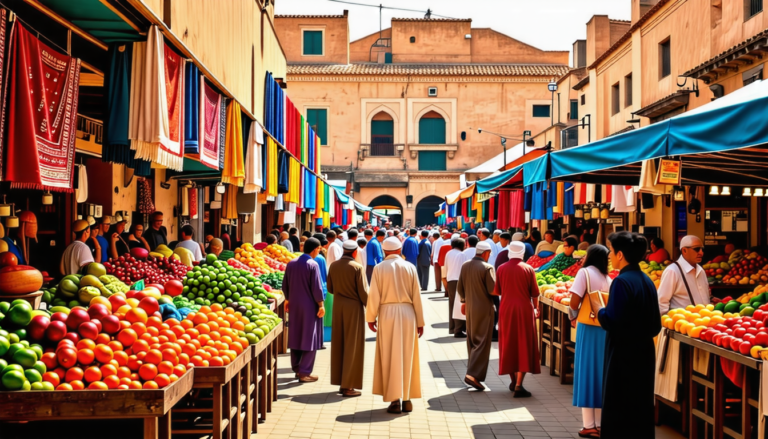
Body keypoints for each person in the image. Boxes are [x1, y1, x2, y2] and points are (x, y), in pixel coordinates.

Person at [590, 232, 661, 439]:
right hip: (645, 351)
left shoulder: (621, 282)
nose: (610, 256)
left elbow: (613, 320)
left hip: (623, 352)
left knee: (619, 403)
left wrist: (600, 310)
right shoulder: (646, 280)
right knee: (641, 403)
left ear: (620, 254)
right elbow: (656, 323)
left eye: (611, 251)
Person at [366, 236, 425, 414]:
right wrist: (420, 321)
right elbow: (417, 296)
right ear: (400, 250)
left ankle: (394, 400)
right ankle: (407, 399)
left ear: (384, 251)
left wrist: (370, 317)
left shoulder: (379, 268)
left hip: (387, 315)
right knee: (408, 355)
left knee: (390, 355)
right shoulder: (410, 267)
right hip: (408, 314)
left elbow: (374, 294)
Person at [568, 245, 611, 438]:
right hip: (605, 329)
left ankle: (588, 425)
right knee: (601, 373)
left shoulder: (584, 273)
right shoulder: (608, 278)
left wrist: (572, 316)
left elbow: (574, 300)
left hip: (587, 326)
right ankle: (601, 424)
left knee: (586, 372)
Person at [493, 241, 540, 398]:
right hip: (524, 310)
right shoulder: (528, 269)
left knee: (509, 344)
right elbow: (535, 293)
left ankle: (513, 381)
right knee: (524, 344)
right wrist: (536, 308)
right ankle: (519, 384)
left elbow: (497, 291)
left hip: (506, 309)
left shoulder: (501, 268)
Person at [328, 240, 369, 397]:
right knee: (353, 345)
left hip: (338, 307)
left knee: (339, 344)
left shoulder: (334, 266)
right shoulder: (357, 267)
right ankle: (348, 386)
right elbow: (363, 292)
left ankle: (340, 381)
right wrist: (372, 310)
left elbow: (330, 288)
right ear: (354, 252)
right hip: (353, 308)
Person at [283, 238, 326, 382]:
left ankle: (297, 368)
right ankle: (304, 372)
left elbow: (285, 284)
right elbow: (317, 288)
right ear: (315, 249)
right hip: (309, 306)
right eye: (319, 249)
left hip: (294, 305)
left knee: (296, 335)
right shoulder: (313, 265)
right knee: (309, 337)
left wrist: (288, 299)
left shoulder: (291, 263)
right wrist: (321, 304)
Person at [457, 241, 496, 391]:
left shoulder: (466, 265)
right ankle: (473, 375)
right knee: (482, 341)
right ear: (486, 253)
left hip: (470, 307)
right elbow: (493, 290)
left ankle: (473, 373)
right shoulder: (487, 267)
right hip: (484, 308)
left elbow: (460, 287)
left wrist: (464, 301)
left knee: (472, 340)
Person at [658, 235, 710, 315]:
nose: (701, 253)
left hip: (703, 321)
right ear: (684, 250)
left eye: (702, 249)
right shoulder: (672, 271)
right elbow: (661, 302)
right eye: (696, 249)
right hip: (682, 323)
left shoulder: (701, 270)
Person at [445, 238, 468, 338]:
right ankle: (459, 329)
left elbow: (445, 267)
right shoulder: (462, 254)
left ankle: (452, 327)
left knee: (452, 304)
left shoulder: (449, 253)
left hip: (450, 279)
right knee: (459, 304)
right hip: (459, 280)